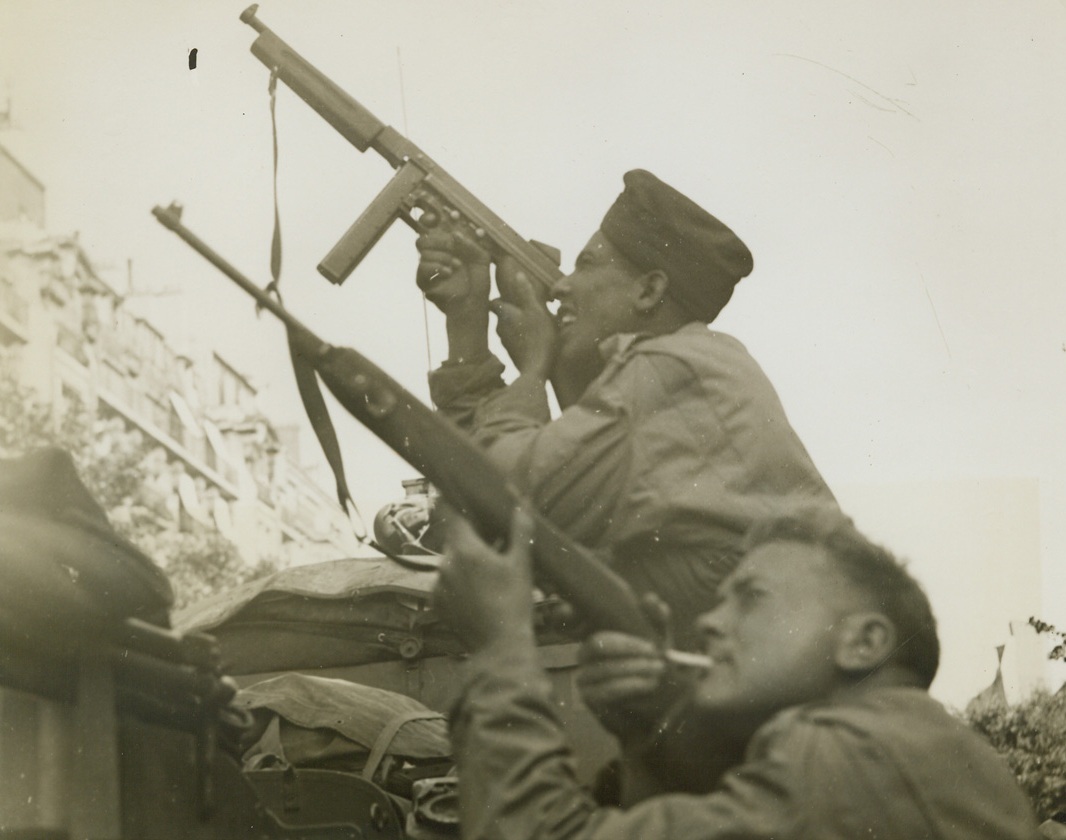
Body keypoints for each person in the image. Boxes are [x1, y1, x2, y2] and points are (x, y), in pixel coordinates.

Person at [432, 505, 1041, 839]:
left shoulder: (852, 752)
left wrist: (499, 651)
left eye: (750, 597)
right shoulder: (908, 745)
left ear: (862, 643)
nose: (711, 623)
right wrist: (648, 743)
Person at [418, 170, 837, 644]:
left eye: (588, 265)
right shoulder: (687, 369)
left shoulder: (673, 367)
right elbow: (484, 484)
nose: (559, 289)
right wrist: (466, 323)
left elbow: (498, 500)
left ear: (649, 291)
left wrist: (535, 368)